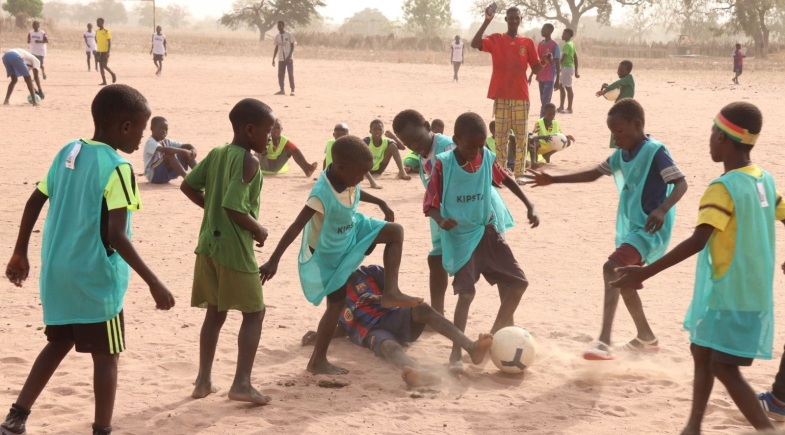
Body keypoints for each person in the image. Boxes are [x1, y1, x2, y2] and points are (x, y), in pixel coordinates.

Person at [0, 85, 175, 435]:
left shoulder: (70, 150)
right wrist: (154, 282)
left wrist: (20, 251)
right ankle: (102, 429)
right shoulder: (118, 167)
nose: (143, 136)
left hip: (57, 271)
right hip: (96, 279)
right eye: (141, 128)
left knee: (59, 341)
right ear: (125, 127)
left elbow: (35, 200)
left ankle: (16, 417)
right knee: (107, 356)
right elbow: (116, 235)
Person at [612, 102, 779, 434]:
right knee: (700, 349)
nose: (709, 138)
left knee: (724, 367)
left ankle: (765, 430)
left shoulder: (723, 188)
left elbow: (698, 241)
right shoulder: (764, 180)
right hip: (752, 290)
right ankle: (694, 426)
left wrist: (644, 272)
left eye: (713, 132)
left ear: (723, 139)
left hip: (731, 292)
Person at [527, 98, 688, 360]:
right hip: (635, 228)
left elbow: (681, 183)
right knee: (624, 279)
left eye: (620, 132)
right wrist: (553, 179)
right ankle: (646, 337)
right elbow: (593, 174)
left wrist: (662, 209)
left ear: (637, 125)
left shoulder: (655, 151)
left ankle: (604, 341)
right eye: (613, 133)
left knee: (611, 267)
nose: (616, 138)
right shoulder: (620, 155)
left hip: (650, 228)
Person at [259, 136, 423, 375]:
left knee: (395, 232)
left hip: (351, 229)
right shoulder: (321, 194)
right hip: (329, 251)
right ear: (341, 167)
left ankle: (390, 292)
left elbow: (355, 191)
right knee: (335, 304)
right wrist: (274, 260)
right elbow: (296, 226)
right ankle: (317, 361)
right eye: (359, 174)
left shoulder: (347, 176)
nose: (361, 180)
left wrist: (381, 202)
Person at [425, 112, 538, 373]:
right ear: (455, 141)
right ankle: (456, 352)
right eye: (469, 146)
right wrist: (441, 220)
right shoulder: (443, 164)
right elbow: (430, 203)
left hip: (488, 231)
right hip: (461, 238)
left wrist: (529, 204)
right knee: (466, 294)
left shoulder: (486, 157)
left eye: (480, 145)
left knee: (519, 283)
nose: (475, 151)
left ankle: (495, 336)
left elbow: (505, 178)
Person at [179, 98, 275, 405]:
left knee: (215, 312)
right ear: (250, 130)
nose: (270, 138)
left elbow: (188, 186)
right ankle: (241, 384)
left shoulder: (218, 153)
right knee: (255, 312)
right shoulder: (249, 161)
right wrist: (258, 229)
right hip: (234, 249)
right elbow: (234, 206)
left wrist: (212, 211)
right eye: (267, 131)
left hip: (208, 244)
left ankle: (203, 381)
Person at [301, 265, 494, 387]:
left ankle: (471, 347)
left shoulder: (370, 272)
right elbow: (344, 325)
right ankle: (421, 373)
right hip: (371, 331)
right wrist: (322, 334)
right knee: (389, 347)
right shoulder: (334, 294)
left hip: (393, 315)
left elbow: (396, 295)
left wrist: (378, 298)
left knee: (423, 309)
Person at [471, 5, 552, 184]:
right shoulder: (496, 39)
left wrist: (545, 61)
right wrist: (487, 20)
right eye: (511, 18)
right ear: (506, 20)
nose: (514, 20)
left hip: (521, 97)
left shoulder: (528, 43)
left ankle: (520, 173)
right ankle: (501, 174)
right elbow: (475, 43)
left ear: (520, 20)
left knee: (522, 137)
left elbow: (536, 68)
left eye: (517, 18)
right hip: (501, 96)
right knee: (501, 137)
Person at [142, 116, 198, 184]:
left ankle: (200, 175)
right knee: (169, 155)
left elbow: (186, 146)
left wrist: (193, 150)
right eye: (160, 129)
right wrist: (184, 151)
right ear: (152, 129)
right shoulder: (150, 142)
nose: (164, 131)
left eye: (166, 129)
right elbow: (167, 150)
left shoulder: (166, 141)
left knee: (186, 152)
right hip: (154, 176)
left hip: (165, 175)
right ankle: (187, 178)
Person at [324, 123, 380, 188]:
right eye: (338, 135)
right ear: (334, 135)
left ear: (347, 135)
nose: (340, 137)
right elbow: (326, 159)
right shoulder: (329, 143)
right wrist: (323, 173)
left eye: (343, 135)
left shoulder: (349, 148)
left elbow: (361, 165)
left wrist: (372, 181)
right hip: (331, 174)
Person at [532, 24, 561, 118]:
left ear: (549, 31)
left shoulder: (555, 45)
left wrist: (557, 80)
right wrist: (531, 74)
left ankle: (542, 120)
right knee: (543, 100)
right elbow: (537, 61)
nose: (542, 30)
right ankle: (545, 119)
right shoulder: (540, 44)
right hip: (541, 76)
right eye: (542, 29)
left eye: (544, 29)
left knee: (545, 101)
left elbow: (557, 62)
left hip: (549, 76)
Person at [558, 28, 579, 114]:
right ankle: (561, 106)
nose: (562, 35)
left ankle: (569, 108)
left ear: (569, 35)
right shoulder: (572, 44)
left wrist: (557, 65)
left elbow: (563, 57)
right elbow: (576, 57)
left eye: (564, 34)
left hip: (566, 67)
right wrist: (576, 70)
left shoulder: (567, 45)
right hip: (568, 67)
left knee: (568, 87)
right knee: (561, 86)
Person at [272, 21, 295, 96]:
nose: (279, 27)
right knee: (280, 74)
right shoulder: (277, 36)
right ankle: (282, 90)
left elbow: (292, 46)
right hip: (281, 58)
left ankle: (292, 90)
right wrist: (273, 58)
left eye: (280, 26)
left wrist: (289, 56)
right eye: (278, 26)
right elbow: (276, 47)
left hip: (288, 58)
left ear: (283, 26)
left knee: (290, 73)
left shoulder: (289, 34)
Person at [95, 18, 116, 86]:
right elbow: (96, 40)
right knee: (100, 67)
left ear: (102, 22)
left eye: (98, 22)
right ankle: (104, 81)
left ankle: (112, 74)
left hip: (105, 51)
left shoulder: (106, 31)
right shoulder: (97, 31)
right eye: (97, 22)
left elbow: (109, 42)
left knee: (104, 65)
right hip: (99, 51)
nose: (97, 23)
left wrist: (108, 52)